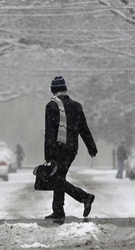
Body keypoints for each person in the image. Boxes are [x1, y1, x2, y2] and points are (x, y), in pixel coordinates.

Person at [44, 76, 97, 219]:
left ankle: (84, 197)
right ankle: (58, 210)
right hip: (72, 149)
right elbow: (83, 128)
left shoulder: (51, 106)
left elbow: (50, 132)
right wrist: (91, 146)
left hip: (57, 148)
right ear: (65, 89)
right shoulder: (76, 105)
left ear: (53, 90)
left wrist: (48, 153)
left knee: (57, 178)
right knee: (59, 177)